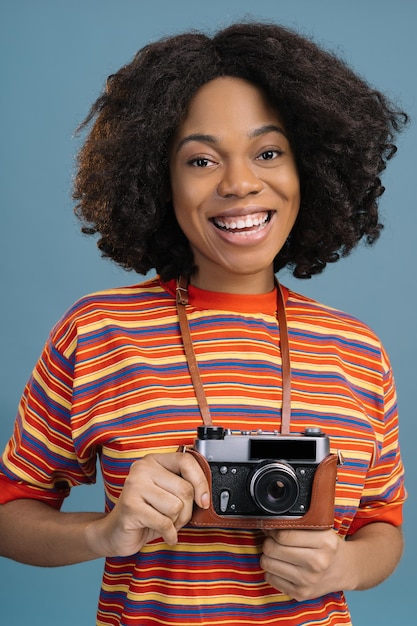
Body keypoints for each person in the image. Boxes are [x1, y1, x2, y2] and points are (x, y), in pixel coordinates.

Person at [0, 21, 407, 626]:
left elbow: (384, 524)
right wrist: (106, 534)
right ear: (158, 180)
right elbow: (11, 513)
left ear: (310, 168)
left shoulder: (357, 349)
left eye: (268, 153)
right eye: (201, 159)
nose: (240, 183)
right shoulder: (97, 332)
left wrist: (344, 567)